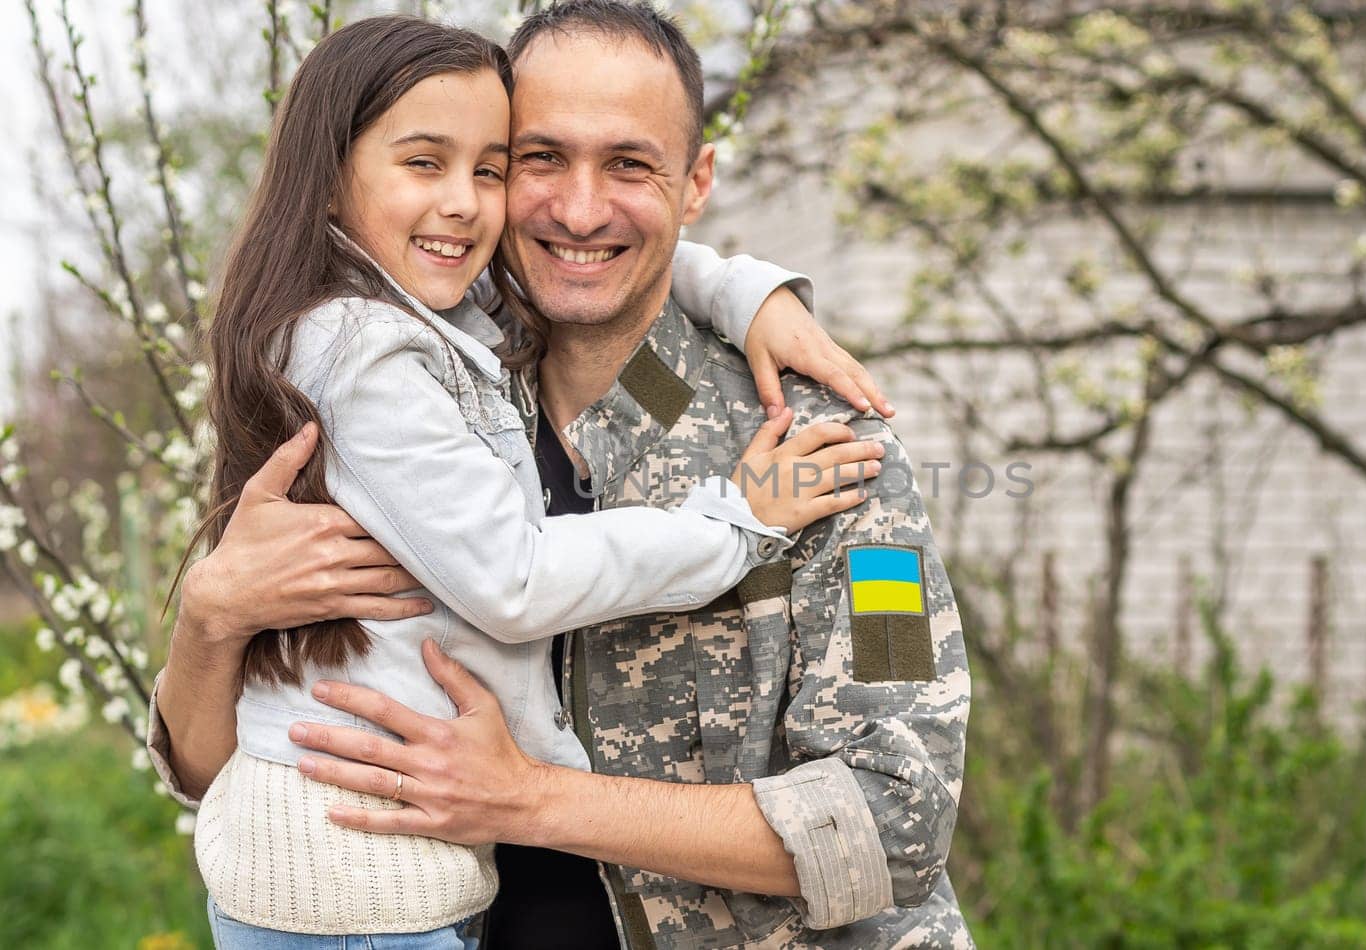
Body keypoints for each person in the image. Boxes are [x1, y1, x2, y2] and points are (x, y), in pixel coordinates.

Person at [151, 2, 972, 947]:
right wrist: (214, 618)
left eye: (630, 164)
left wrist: (530, 799)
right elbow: (215, 769)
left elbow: (892, 821)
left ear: (695, 181)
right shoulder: (409, 397)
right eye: (539, 159)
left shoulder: (821, 447)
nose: (580, 209)